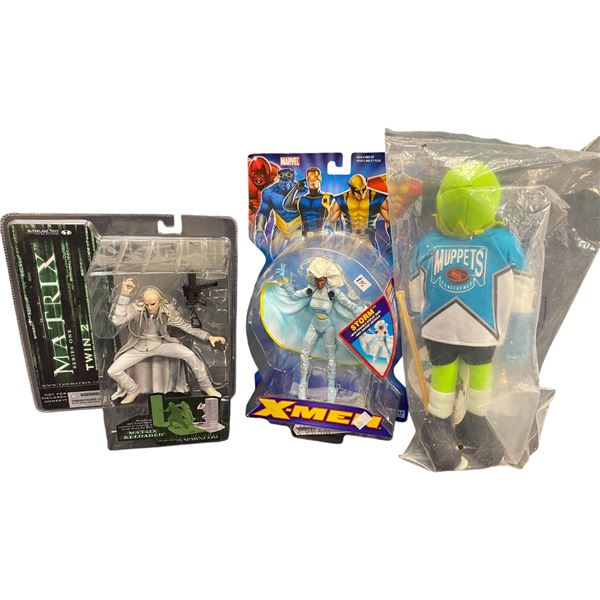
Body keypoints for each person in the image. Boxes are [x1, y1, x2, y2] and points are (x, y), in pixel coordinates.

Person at [107, 278, 224, 404]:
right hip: (139, 347)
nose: (149, 307)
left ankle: (206, 385)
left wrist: (208, 336)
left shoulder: (167, 310)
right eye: (146, 304)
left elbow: (186, 326)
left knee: (190, 355)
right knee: (112, 371)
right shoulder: (136, 308)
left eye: (153, 304)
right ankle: (132, 389)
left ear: (159, 301)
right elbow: (117, 320)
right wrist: (124, 295)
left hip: (160, 344)